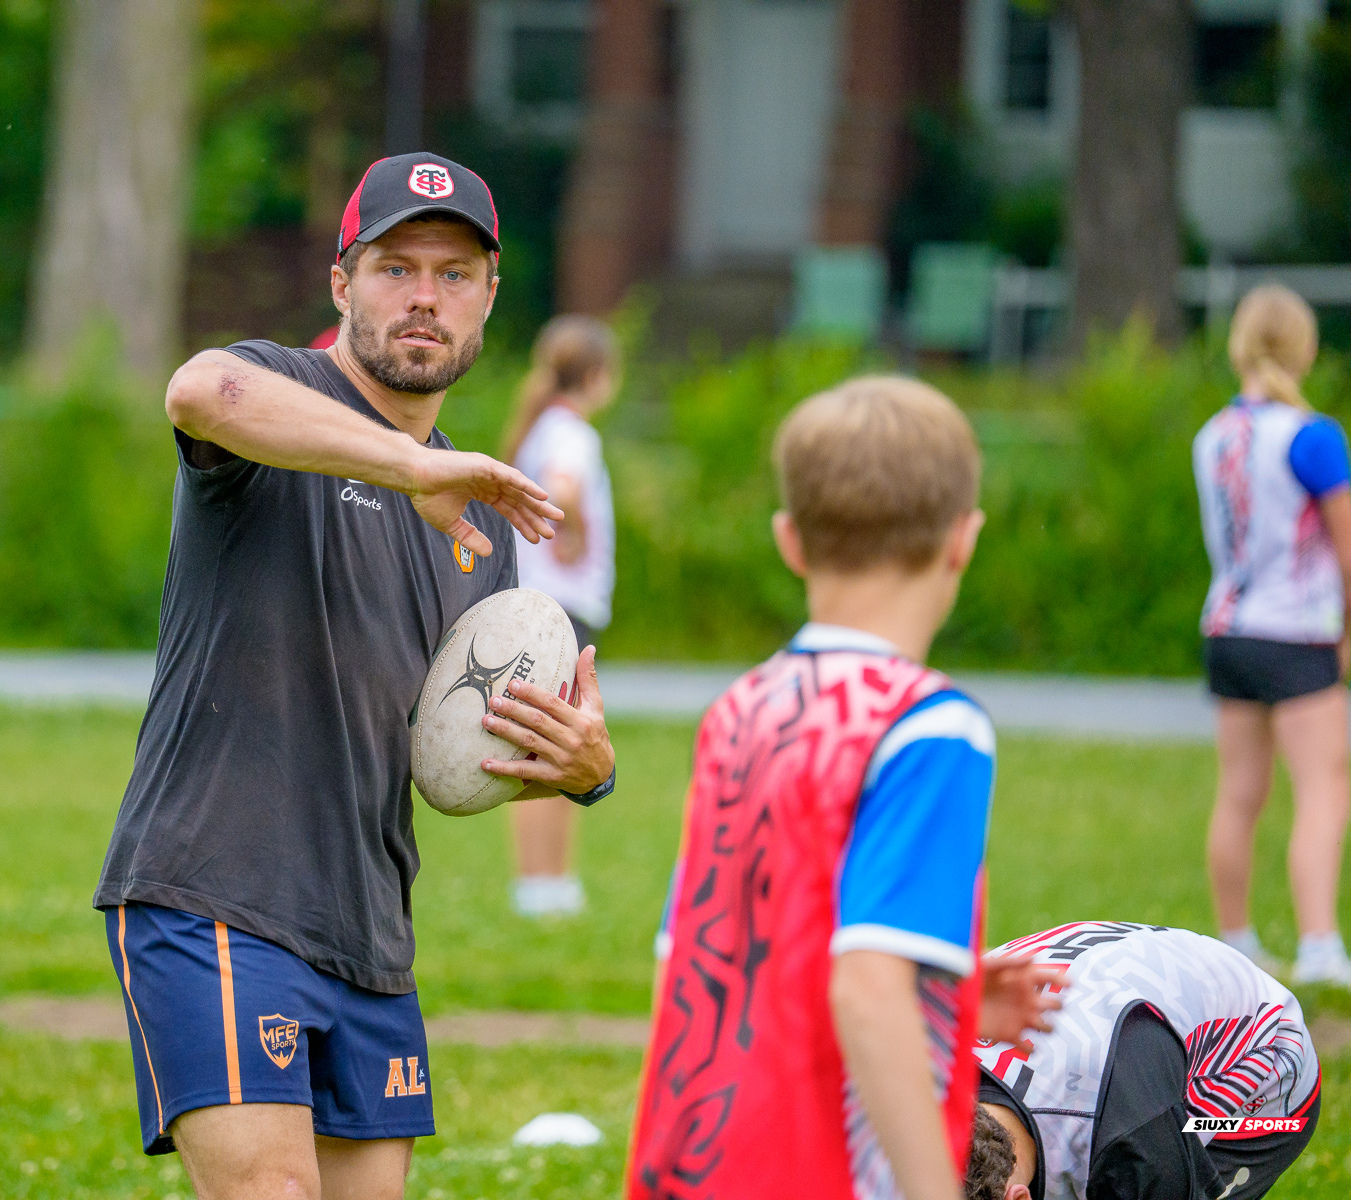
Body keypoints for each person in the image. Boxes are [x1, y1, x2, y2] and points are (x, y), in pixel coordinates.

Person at [92, 152, 617, 1200]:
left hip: (370, 924)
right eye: (396, 267)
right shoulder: (279, 396)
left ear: (489, 301)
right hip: (216, 891)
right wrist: (411, 464)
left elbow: (451, 757)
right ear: (343, 283)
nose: (425, 296)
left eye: (455, 273)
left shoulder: (481, 522)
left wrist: (574, 765)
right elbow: (198, 390)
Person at [629, 377, 1001, 1200]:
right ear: (962, 540)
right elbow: (868, 988)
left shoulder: (737, 711)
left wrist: (959, 990)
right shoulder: (933, 729)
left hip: (694, 1169)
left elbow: (687, 969)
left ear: (789, 541)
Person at [1193, 284, 1351, 986]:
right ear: (1304, 348)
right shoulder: (1313, 437)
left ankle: (1236, 939)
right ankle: (1319, 946)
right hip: (1296, 631)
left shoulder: (1212, 434)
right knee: (1324, 784)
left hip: (1229, 626)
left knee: (1239, 792)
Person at [967, 921, 1321, 1200]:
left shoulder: (1136, 1145)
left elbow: (1145, 1151)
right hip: (1134, 1020)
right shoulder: (927, 1069)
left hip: (1265, 1069)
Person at [498, 314, 620, 918]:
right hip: (565, 607)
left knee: (539, 746)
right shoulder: (573, 432)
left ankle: (538, 883)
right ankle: (549, 888)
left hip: (542, 601)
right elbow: (564, 491)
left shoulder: (542, 426)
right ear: (598, 376)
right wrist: (577, 532)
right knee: (557, 748)